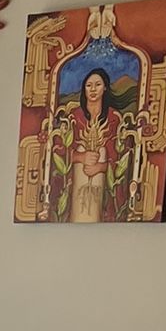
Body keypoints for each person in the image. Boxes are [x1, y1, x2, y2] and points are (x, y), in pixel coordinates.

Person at [46, 67, 131, 222]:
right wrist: (80, 156)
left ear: (105, 87)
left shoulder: (114, 119)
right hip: (77, 179)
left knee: (103, 153)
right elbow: (59, 150)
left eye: (97, 85)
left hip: (102, 182)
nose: (93, 89)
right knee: (81, 147)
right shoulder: (74, 116)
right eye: (88, 85)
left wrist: (100, 167)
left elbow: (119, 157)